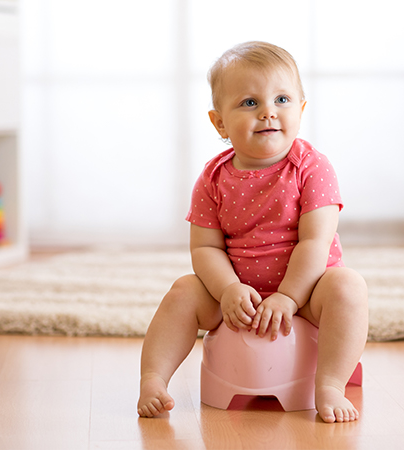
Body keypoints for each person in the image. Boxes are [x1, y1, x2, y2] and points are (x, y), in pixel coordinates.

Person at [137, 41, 368, 423]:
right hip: (236, 295)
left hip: (307, 292)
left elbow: (315, 241)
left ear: (301, 110)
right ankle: (153, 379)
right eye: (249, 103)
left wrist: (290, 298)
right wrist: (227, 289)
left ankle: (328, 384)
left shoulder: (312, 167)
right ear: (219, 122)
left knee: (347, 288)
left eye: (282, 99)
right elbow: (205, 249)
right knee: (183, 291)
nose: (268, 113)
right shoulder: (213, 178)